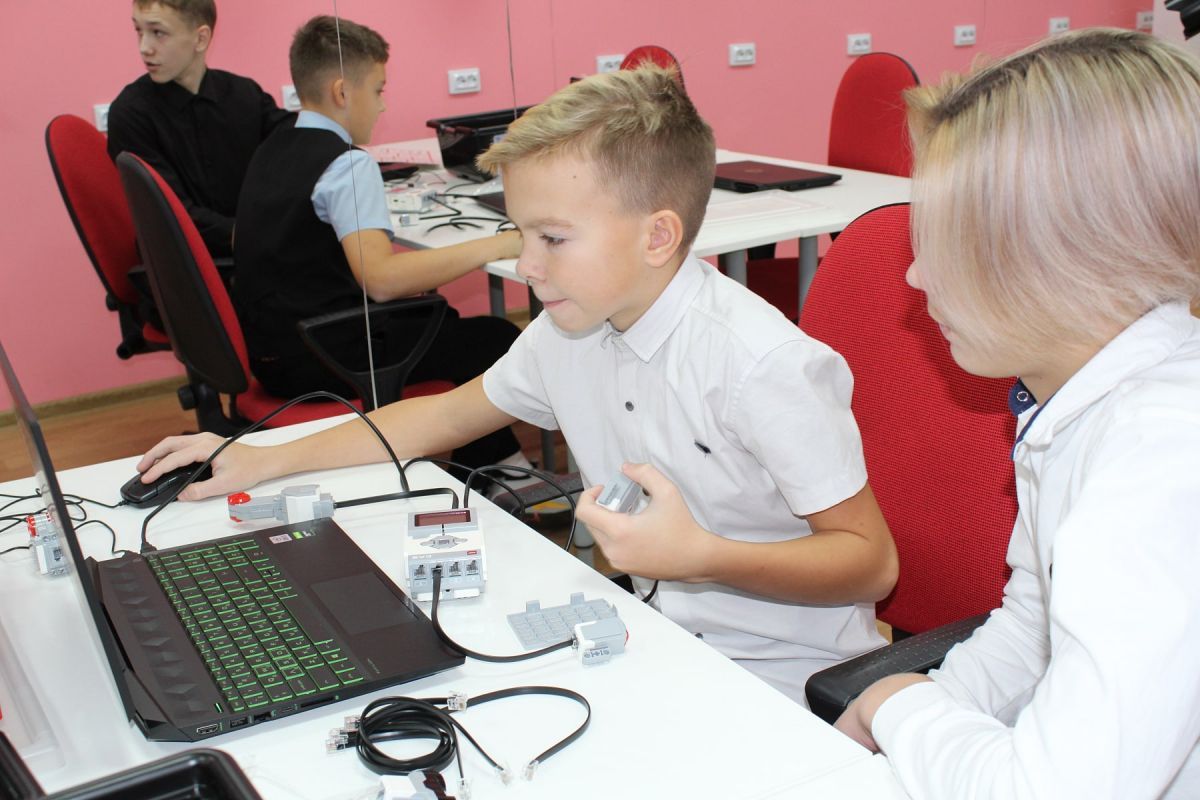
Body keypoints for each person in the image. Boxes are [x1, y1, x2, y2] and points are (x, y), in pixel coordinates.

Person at [136, 64, 898, 704]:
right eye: (522, 232)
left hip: (788, 678)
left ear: (658, 235)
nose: (526, 265)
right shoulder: (570, 330)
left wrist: (699, 555)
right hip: (659, 640)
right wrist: (260, 456)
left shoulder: (760, 363)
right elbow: (438, 419)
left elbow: (871, 564)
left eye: (553, 238)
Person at [833, 28, 1200, 798]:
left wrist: (900, 707)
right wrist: (914, 711)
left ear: (1068, 257)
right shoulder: (1076, 397)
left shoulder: (1158, 462)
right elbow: (1032, 631)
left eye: (943, 243)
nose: (915, 275)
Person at [233, 15, 527, 476]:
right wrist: (494, 245)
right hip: (325, 358)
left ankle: (495, 464)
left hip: (276, 353)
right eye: (378, 90)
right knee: (495, 339)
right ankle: (498, 471)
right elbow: (383, 282)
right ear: (342, 93)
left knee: (443, 322)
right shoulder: (346, 165)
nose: (383, 105)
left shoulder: (271, 147)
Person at [107, 0, 293, 259]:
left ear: (201, 39)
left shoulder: (244, 94)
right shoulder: (130, 114)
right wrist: (257, 237)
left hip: (254, 252)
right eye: (139, 30)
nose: (144, 48)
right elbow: (171, 214)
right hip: (187, 266)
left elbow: (297, 141)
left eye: (158, 32)